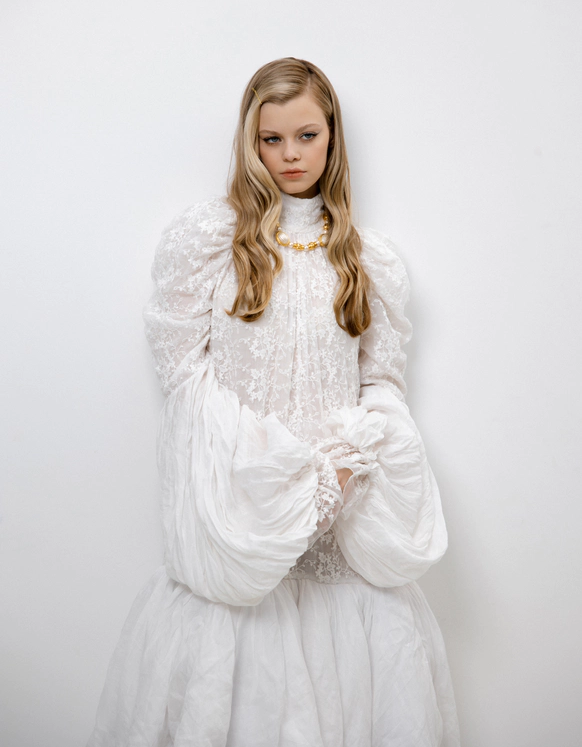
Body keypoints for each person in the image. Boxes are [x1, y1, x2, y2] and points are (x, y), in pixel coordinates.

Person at [87, 57, 460, 746]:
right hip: (241, 527)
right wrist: (275, 487)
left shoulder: (367, 261)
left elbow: (381, 385)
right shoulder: (211, 243)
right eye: (272, 139)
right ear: (250, 141)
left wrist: (338, 476)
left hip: (343, 540)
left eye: (307, 135)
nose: (290, 154)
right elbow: (185, 377)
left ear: (332, 136)